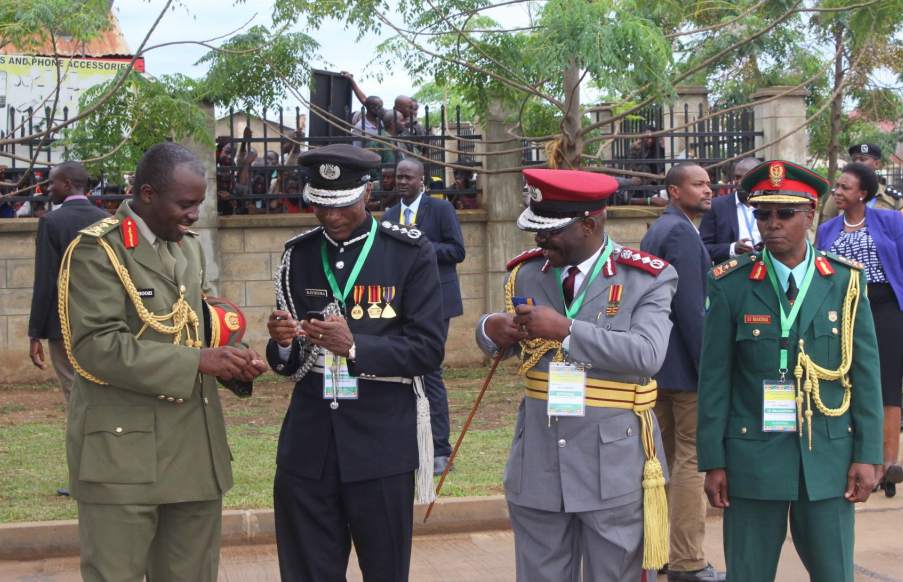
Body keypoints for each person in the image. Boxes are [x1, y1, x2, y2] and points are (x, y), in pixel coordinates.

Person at [60, 143, 266, 582]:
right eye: (186, 204)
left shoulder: (188, 248)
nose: (194, 215)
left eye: (199, 203)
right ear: (148, 194)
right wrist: (197, 362)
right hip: (123, 456)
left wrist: (235, 358)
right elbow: (95, 347)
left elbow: (198, 325)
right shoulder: (98, 250)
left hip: (193, 449)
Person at [476, 168, 677, 581]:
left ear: (589, 225)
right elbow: (510, 344)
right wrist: (490, 329)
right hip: (538, 458)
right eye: (536, 229)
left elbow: (648, 354)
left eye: (551, 231)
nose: (540, 239)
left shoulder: (645, 277)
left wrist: (567, 331)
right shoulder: (526, 272)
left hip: (612, 462)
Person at [266, 144, 445, 582]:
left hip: (379, 445)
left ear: (367, 192)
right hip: (309, 447)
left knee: (385, 570)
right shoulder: (298, 255)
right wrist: (282, 344)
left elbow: (427, 349)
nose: (330, 216)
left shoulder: (407, 252)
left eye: (342, 203)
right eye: (320, 205)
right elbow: (290, 362)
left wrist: (355, 347)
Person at [698, 160, 884, 582]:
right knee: (747, 574)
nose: (772, 224)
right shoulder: (730, 283)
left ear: (810, 215)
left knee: (835, 573)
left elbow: (865, 375)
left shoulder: (844, 282)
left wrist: (868, 454)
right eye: (762, 214)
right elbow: (714, 380)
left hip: (828, 457)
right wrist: (713, 460)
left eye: (785, 213)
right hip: (751, 457)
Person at [816, 161, 903, 498]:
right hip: (843, 311)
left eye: (845, 187)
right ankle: (857, 457)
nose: (837, 192)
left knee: (886, 383)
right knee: (848, 379)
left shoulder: (890, 220)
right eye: (837, 186)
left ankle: (887, 463)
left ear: (863, 194)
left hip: (888, 309)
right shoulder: (827, 229)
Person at [640, 163, 723, 582]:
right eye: (698, 184)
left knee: (663, 464)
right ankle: (688, 561)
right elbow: (692, 310)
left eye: (709, 183)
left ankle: (659, 554)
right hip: (686, 372)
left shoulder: (659, 228)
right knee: (691, 462)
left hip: (657, 367)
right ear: (675, 191)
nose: (709, 190)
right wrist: (709, 370)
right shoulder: (680, 233)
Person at [28, 162, 110, 497]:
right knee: (104, 395)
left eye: (51, 183)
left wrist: (35, 332)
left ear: (66, 184)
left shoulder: (51, 222)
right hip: (105, 325)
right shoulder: (107, 221)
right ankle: (110, 469)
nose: (47, 189)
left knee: (75, 399)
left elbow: (46, 279)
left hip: (63, 327)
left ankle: (84, 478)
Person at [384, 158, 465, 474]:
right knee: (402, 372)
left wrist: (421, 243)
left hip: (437, 303)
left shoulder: (441, 209)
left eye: (408, 177)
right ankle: (409, 447)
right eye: (398, 176)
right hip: (400, 305)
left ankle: (440, 451)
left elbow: (457, 251)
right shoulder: (389, 215)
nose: (402, 181)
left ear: (422, 181)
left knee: (430, 371)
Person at [819, 143, 903, 221]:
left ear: (876, 164)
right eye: (854, 160)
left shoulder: (894, 199)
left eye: (863, 159)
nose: (857, 163)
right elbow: (826, 228)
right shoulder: (838, 196)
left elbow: (901, 230)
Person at [699, 157, 762, 264]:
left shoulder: (769, 205)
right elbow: (703, 248)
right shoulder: (716, 206)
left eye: (746, 177)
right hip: (732, 270)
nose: (739, 182)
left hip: (765, 268)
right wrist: (732, 249)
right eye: (737, 177)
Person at [341, 70, 384, 147]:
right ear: (372, 108)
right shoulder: (359, 127)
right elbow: (357, 149)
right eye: (380, 107)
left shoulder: (382, 123)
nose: (383, 109)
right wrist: (350, 79)